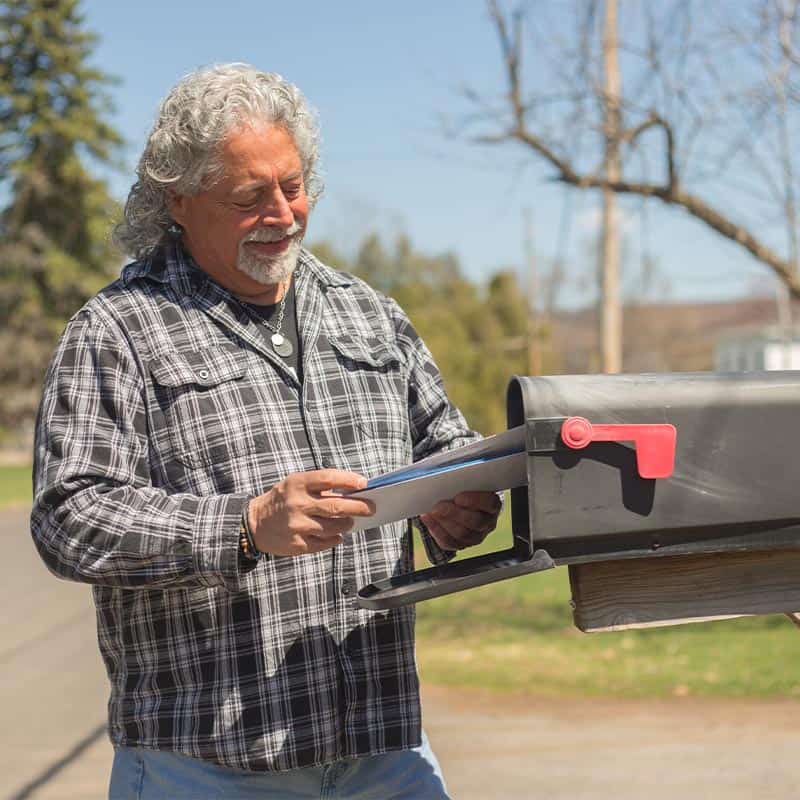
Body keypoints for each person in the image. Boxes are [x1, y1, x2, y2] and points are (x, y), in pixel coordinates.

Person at [30, 63, 501, 799]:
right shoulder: (117, 330)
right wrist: (245, 525)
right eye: (249, 197)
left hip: (385, 752)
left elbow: (446, 445)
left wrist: (457, 506)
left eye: (293, 186)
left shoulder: (369, 313)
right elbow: (70, 518)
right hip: (205, 768)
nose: (282, 214)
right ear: (177, 200)